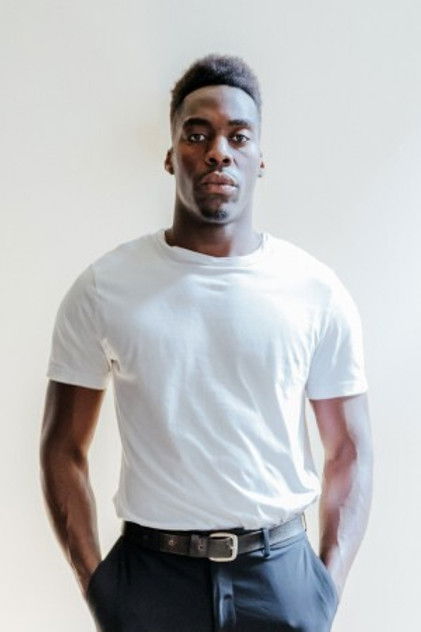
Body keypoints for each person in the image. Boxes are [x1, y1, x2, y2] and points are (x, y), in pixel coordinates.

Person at [40, 53, 373, 632]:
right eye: (197, 134)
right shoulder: (105, 287)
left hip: (281, 577)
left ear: (260, 157)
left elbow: (349, 449)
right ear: (171, 155)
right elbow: (62, 448)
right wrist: (99, 588)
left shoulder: (314, 291)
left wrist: (325, 588)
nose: (219, 151)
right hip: (150, 579)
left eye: (238, 136)